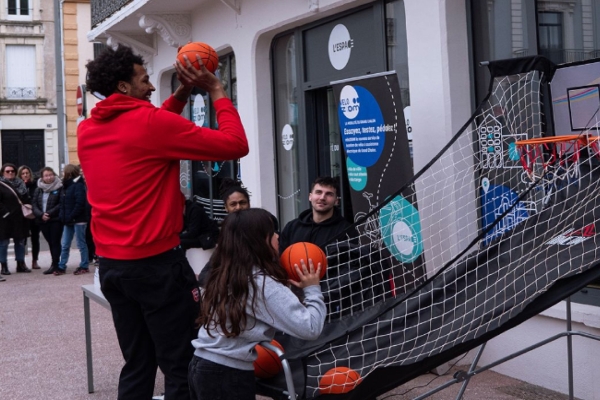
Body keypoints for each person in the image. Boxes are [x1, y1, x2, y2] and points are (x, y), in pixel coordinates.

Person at [77, 45, 248, 400]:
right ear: (123, 87)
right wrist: (216, 90)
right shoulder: (153, 125)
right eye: (144, 80)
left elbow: (147, 127)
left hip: (112, 268)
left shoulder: (88, 130)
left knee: (137, 363)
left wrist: (183, 93)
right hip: (156, 268)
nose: (153, 87)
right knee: (181, 364)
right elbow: (236, 144)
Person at [189, 208, 326, 400]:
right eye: (272, 232)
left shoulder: (227, 272)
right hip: (226, 374)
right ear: (259, 240)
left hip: (201, 365)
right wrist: (312, 288)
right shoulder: (260, 283)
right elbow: (310, 327)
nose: (278, 237)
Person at [279, 176, 352, 252]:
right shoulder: (292, 227)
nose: (322, 198)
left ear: (336, 201)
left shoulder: (346, 231)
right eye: (318, 192)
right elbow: (281, 258)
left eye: (329, 194)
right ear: (310, 197)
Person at [56, 164, 89, 276]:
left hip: (78, 219)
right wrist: (63, 215)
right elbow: (62, 203)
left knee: (81, 243)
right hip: (69, 218)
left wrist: (70, 215)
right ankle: (61, 265)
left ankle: (84, 265)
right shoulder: (66, 186)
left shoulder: (78, 185)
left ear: (68, 173)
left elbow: (80, 203)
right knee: (65, 244)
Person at [0, 163, 31, 275]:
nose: (10, 173)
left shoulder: (20, 183)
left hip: (19, 218)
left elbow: (26, 198)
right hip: (5, 219)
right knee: (4, 243)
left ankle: (20, 264)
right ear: (3, 173)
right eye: (7, 171)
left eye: (12, 171)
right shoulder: (1, 184)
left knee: (20, 242)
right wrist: (6, 213)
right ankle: (4, 265)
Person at [32, 167, 64, 275]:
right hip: (42, 220)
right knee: (50, 242)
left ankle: (55, 265)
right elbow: (34, 204)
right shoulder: (38, 189)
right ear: (42, 177)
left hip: (55, 220)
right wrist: (41, 214)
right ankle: (54, 263)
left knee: (55, 242)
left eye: (50, 175)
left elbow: (61, 203)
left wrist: (49, 213)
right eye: (46, 175)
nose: (49, 177)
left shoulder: (59, 187)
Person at [18, 165, 41, 269]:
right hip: (22, 216)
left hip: (33, 215)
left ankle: (34, 260)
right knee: (23, 239)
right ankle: (22, 262)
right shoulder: (17, 185)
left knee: (35, 238)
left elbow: (37, 199)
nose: (25, 175)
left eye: (27, 173)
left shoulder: (35, 185)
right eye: (23, 173)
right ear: (20, 175)